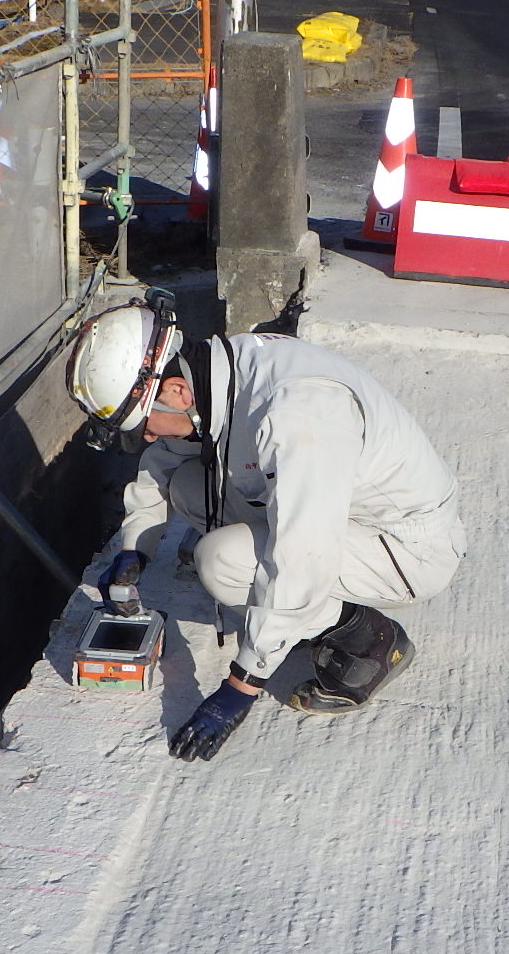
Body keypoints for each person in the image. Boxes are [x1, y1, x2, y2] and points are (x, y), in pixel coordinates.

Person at [66, 298, 464, 763]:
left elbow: (303, 558)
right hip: (342, 513)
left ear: (175, 391)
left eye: (143, 427)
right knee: (190, 485)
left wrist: (242, 685)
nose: (147, 438)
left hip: (404, 546)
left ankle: (366, 637)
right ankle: (285, 596)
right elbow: (162, 466)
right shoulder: (220, 371)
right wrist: (134, 549)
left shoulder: (298, 416)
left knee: (220, 560)